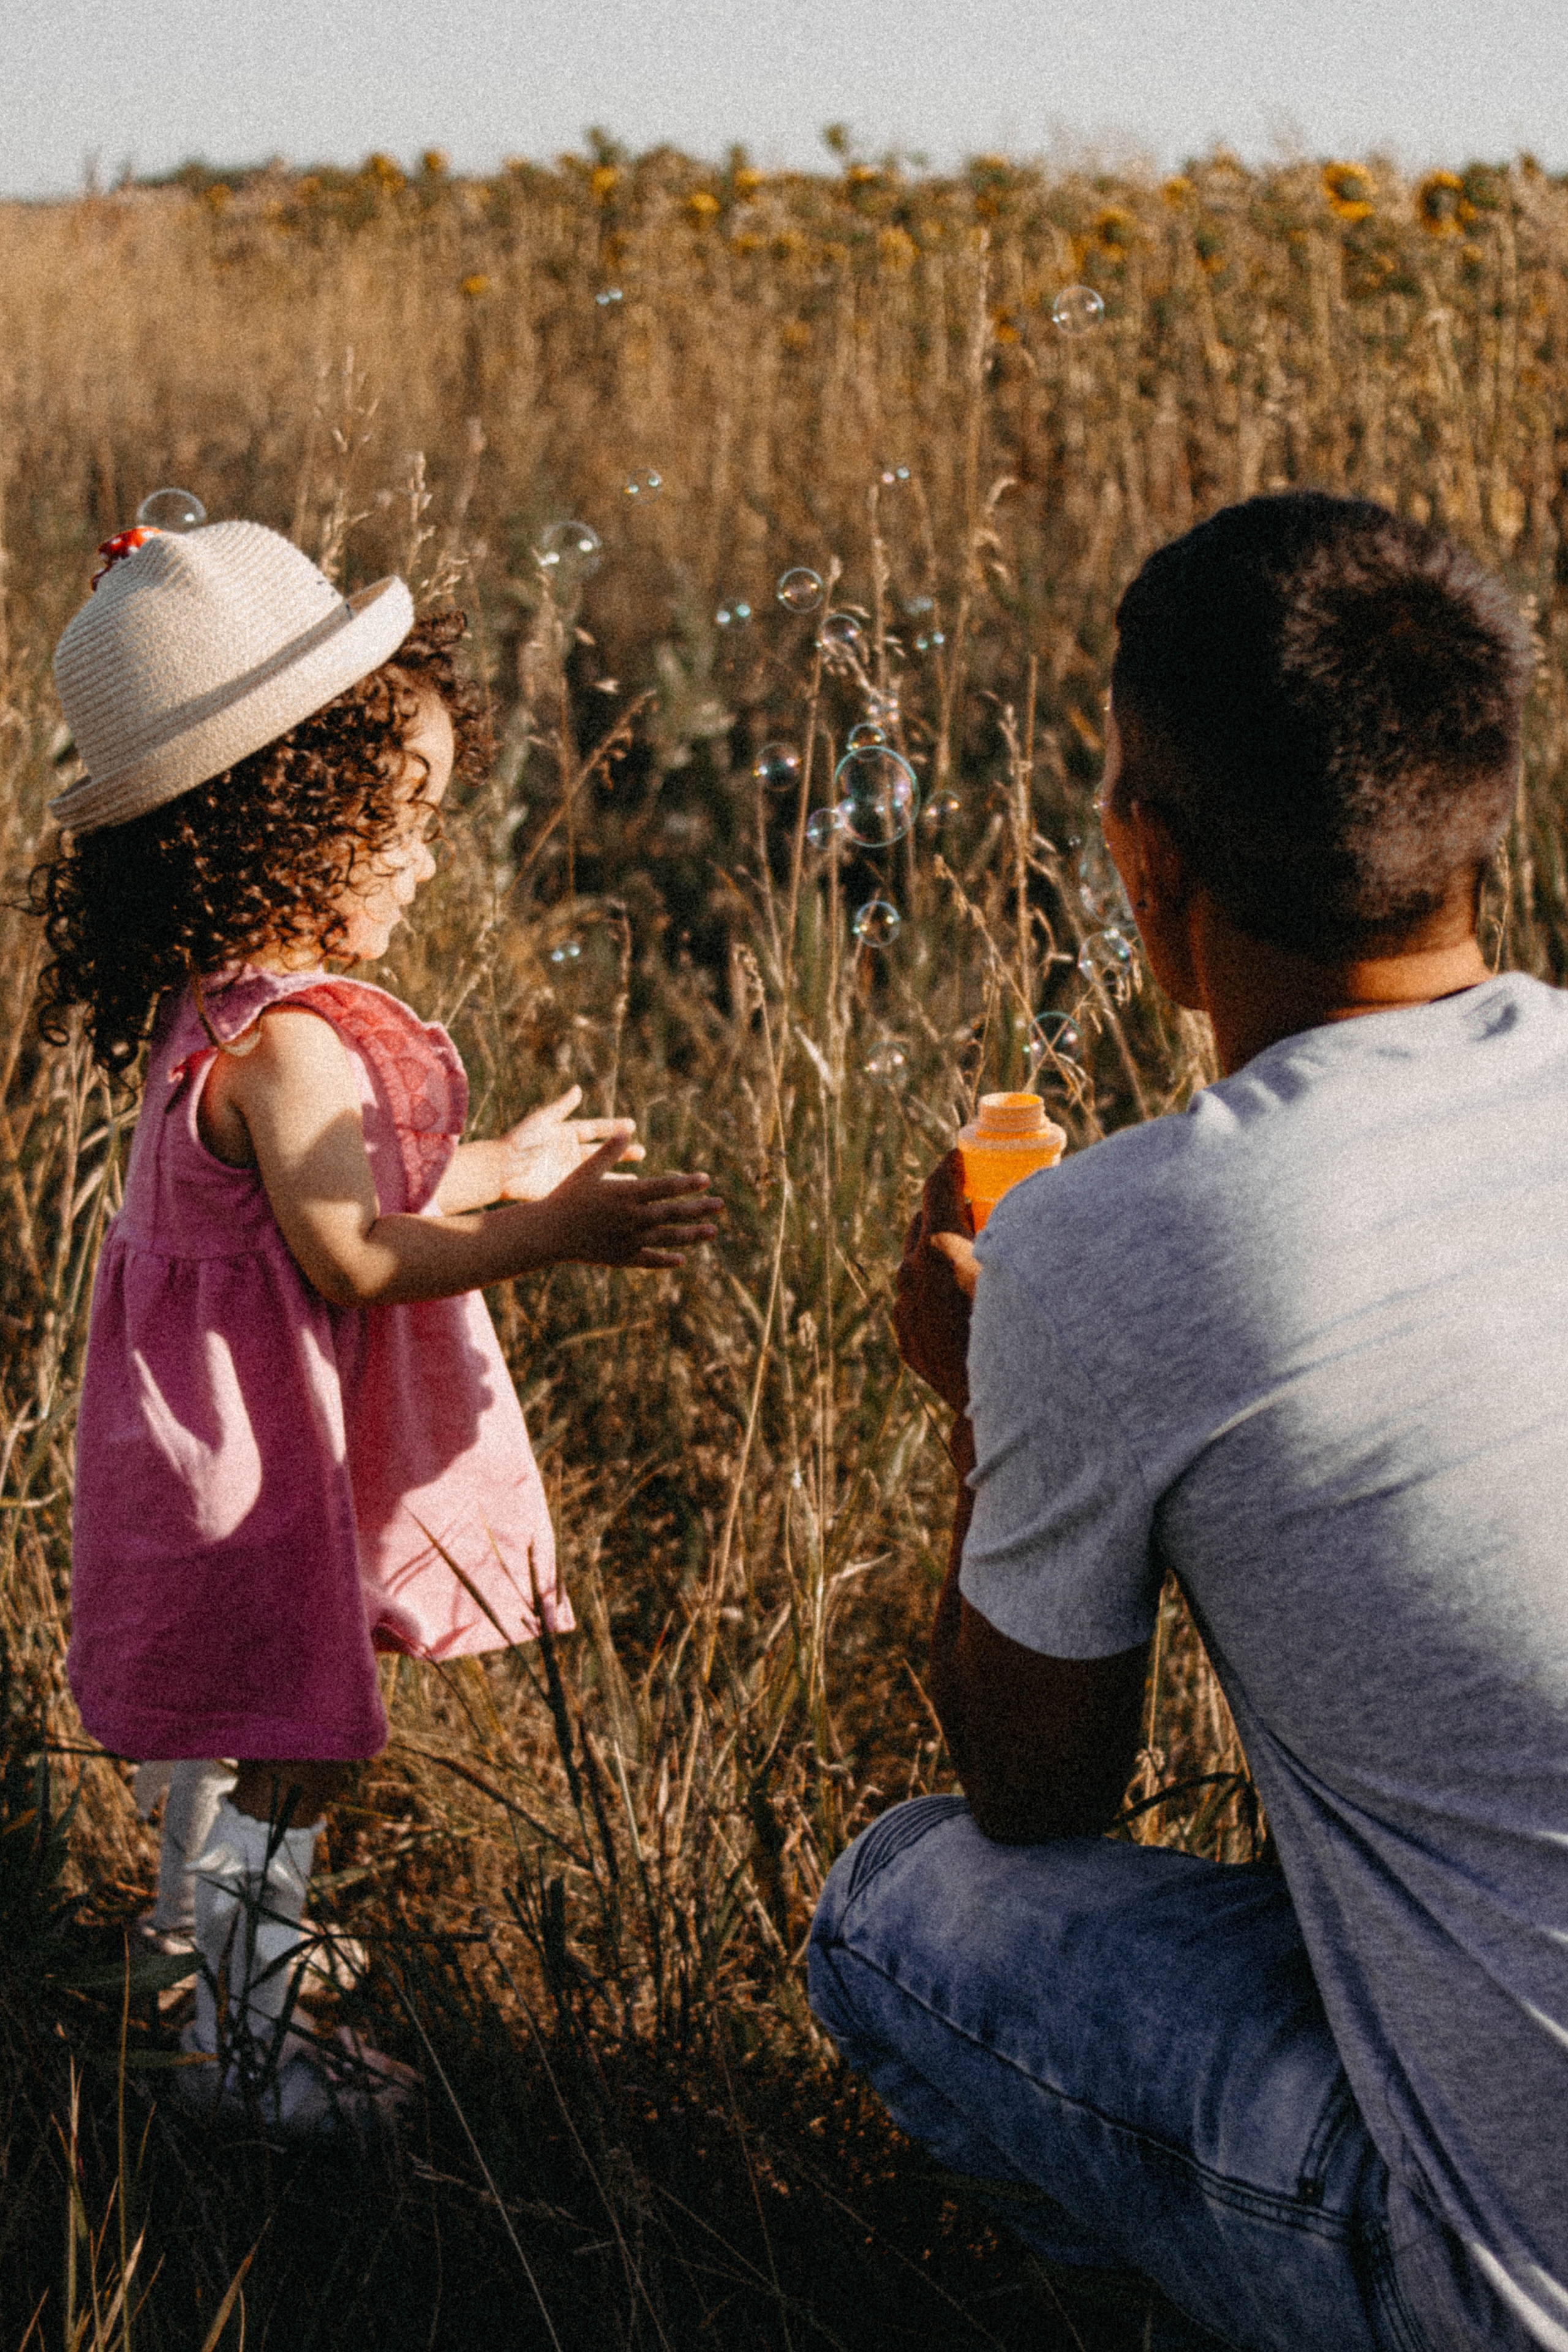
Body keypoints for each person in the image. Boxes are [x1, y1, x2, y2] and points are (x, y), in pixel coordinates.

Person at [809, 492, 1568, 2351]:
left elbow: (1038, 1799)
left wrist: (987, 1402)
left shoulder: (1103, 1242)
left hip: (1512, 2298)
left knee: (902, 1904)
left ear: (1146, 862)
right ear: (1483, 816)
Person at [36, 518, 721, 2132]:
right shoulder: (287, 1047)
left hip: (221, 1449)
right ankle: (253, 2054)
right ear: (282, 823)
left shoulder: (229, 1012)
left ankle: (209, 1947)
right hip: (258, 1470)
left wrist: (504, 1165)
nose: (425, 860)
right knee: (299, 1747)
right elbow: (350, 1250)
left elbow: (342, 1192)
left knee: (245, 1730)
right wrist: (552, 1234)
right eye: (397, 824)